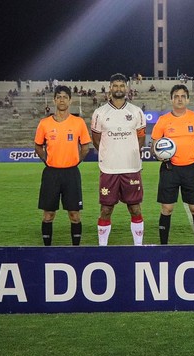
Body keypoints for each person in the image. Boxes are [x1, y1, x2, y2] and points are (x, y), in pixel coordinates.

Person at [90, 73, 146, 246]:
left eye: (122, 85)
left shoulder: (136, 112)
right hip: (109, 169)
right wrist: (110, 154)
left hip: (131, 167)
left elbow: (141, 138)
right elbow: (96, 140)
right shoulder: (100, 113)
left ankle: (138, 247)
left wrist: (128, 151)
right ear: (110, 88)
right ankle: (102, 248)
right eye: (115, 85)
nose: (119, 89)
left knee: (135, 208)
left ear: (127, 88)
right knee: (106, 209)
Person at [34, 85, 91, 246]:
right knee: (48, 214)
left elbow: (85, 147)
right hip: (51, 173)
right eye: (58, 97)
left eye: (65, 97)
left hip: (71, 174)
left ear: (70, 100)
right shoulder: (44, 123)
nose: (61, 100)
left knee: (74, 214)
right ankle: (47, 249)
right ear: (54, 100)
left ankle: (76, 249)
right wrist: (48, 161)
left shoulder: (78, 122)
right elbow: (38, 146)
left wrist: (75, 161)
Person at [151, 84, 194, 244]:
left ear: (188, 99)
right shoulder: (163, 120)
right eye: (176, 96)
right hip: (170, 169)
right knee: (167, 209)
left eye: (183, 96)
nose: (179, 99)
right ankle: (163, 246)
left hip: (191, 168)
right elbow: (154, 145)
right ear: (171, 99)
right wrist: (159, 154)